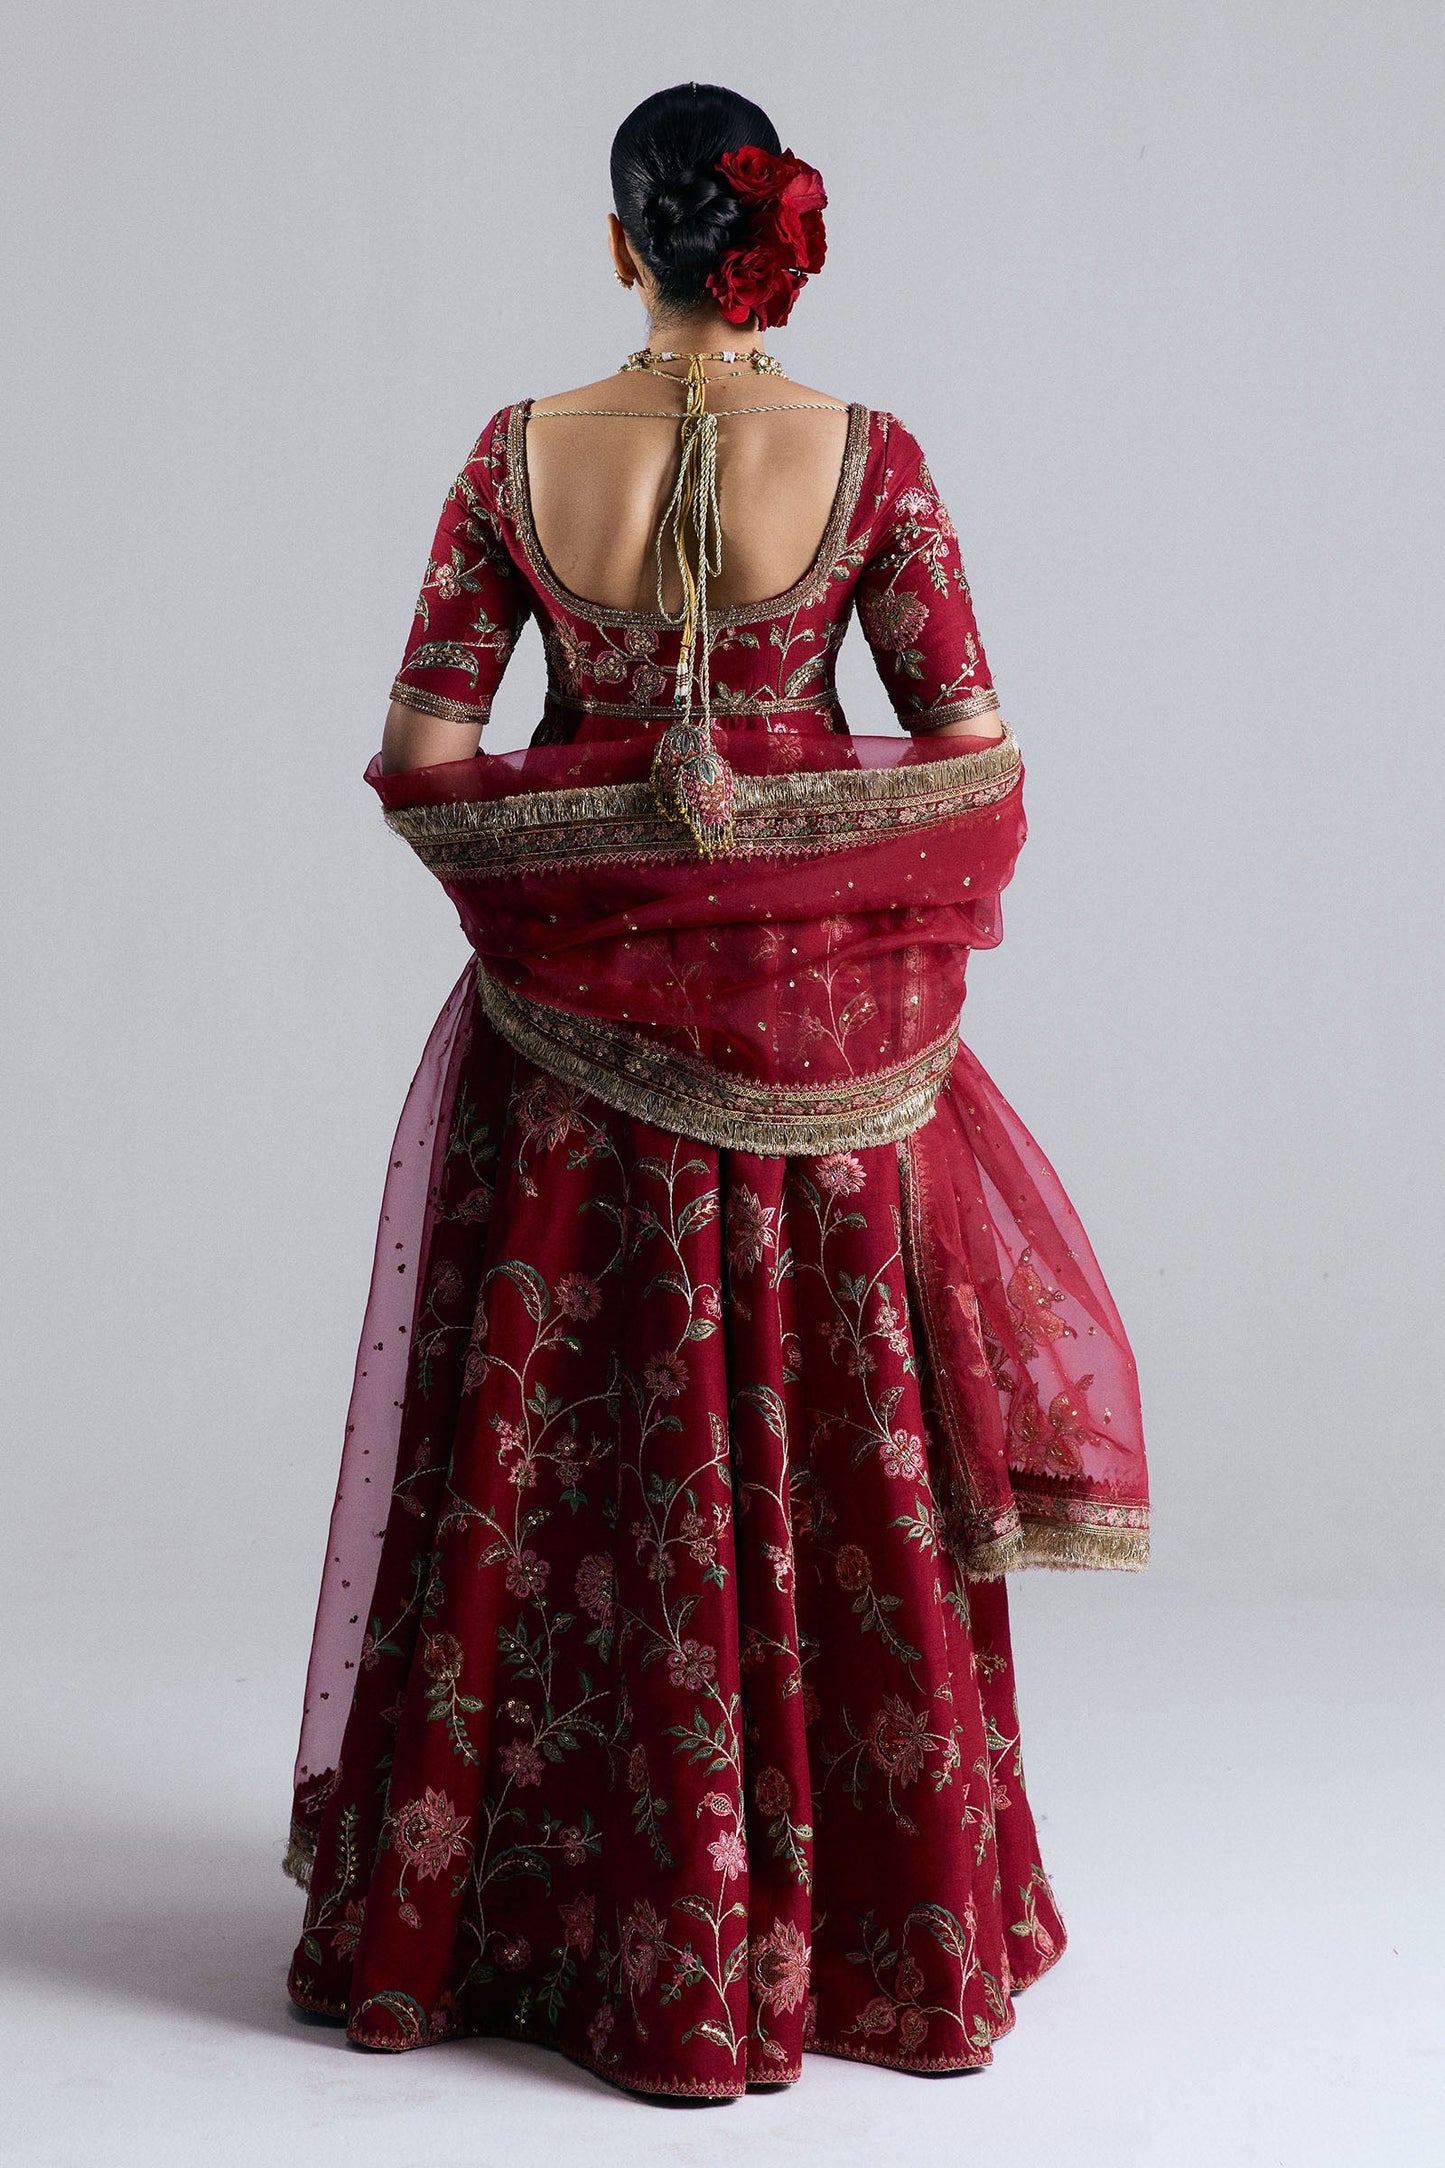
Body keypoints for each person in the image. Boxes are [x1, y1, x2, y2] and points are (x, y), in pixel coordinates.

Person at [283, 81, 1149, 2104]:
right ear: (776, 249)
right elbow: (974, 763)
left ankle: (539, 1920)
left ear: (620, 246)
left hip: (566, 1065)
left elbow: (425, 760)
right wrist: (798, 883)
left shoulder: (516, 456)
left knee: (568, 1470)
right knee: (838, 1467)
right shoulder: (872, 460)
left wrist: (596, 881)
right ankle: (868, 1935)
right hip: (828, 1078)